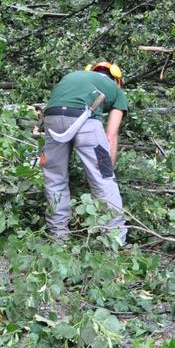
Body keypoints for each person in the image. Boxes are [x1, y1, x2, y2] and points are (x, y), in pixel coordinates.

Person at [41, 61, 129, 244]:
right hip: (85, 119)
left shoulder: (73, 77)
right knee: (104, 179)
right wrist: (106, 167)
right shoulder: (117, 91)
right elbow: (111, 136)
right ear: (117, 79)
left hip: (52, 117)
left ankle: (58, 237)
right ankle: (114, 239)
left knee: (54, 178)